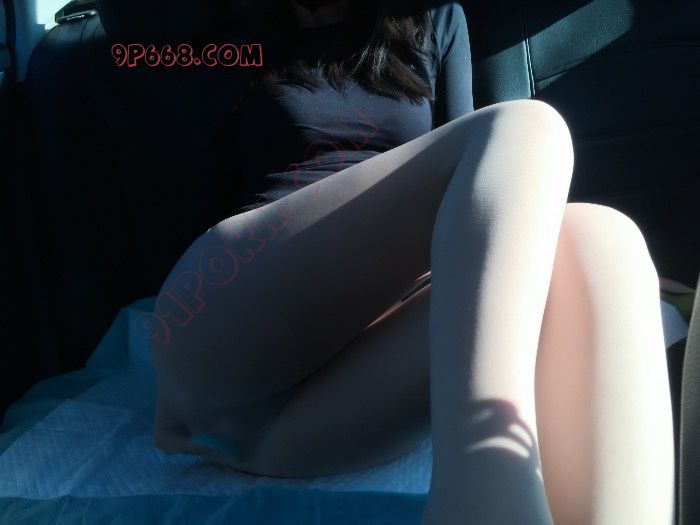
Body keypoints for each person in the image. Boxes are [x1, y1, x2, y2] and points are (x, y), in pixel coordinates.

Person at [148, 1, 675, 523]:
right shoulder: (230, 32)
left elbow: (483, 191)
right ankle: (482, 489)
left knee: (605, 239)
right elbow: (188, 189)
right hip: (239, 311)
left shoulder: (434, 20)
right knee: (527, 127)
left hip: (298, 420)